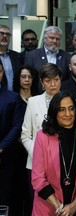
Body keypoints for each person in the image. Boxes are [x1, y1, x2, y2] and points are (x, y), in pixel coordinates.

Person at [32, 91, 76, 215]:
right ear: (54, 112)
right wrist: (59, 207)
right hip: (48, 209)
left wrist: (75, 204)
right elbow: (38, 179)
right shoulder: (42, 137)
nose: (68, 114)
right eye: (62, 109)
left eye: (71, 108)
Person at [21, 63, 62, 212]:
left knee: (61, 206)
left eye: (56, 79)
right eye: (48, 80)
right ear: (42, 83)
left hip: (61, 164)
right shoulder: (33, 102)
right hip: (36, 164)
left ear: (61, 80)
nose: (53, 84)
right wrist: (38, 154)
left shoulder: (69, 101)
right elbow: (25, 134)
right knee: (40, 207)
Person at [12, 65, 39, 215]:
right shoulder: (13, 98)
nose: (27, 80)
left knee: (32, 192)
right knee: (17, 189)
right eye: (23, 77)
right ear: (18, 79)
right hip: (17, 151)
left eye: (29, 77)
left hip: (36, 150)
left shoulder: (38, 98)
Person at [0, 59, 25, 215]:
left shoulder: (12, 97)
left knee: (4, 194)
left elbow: (17, 126)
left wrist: (1, 146)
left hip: (6, 154)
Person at [0, 24, 21, 91]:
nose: (5, 36)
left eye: (8, 34)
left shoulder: (17, 56)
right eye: (1, 33)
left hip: (15, 95)